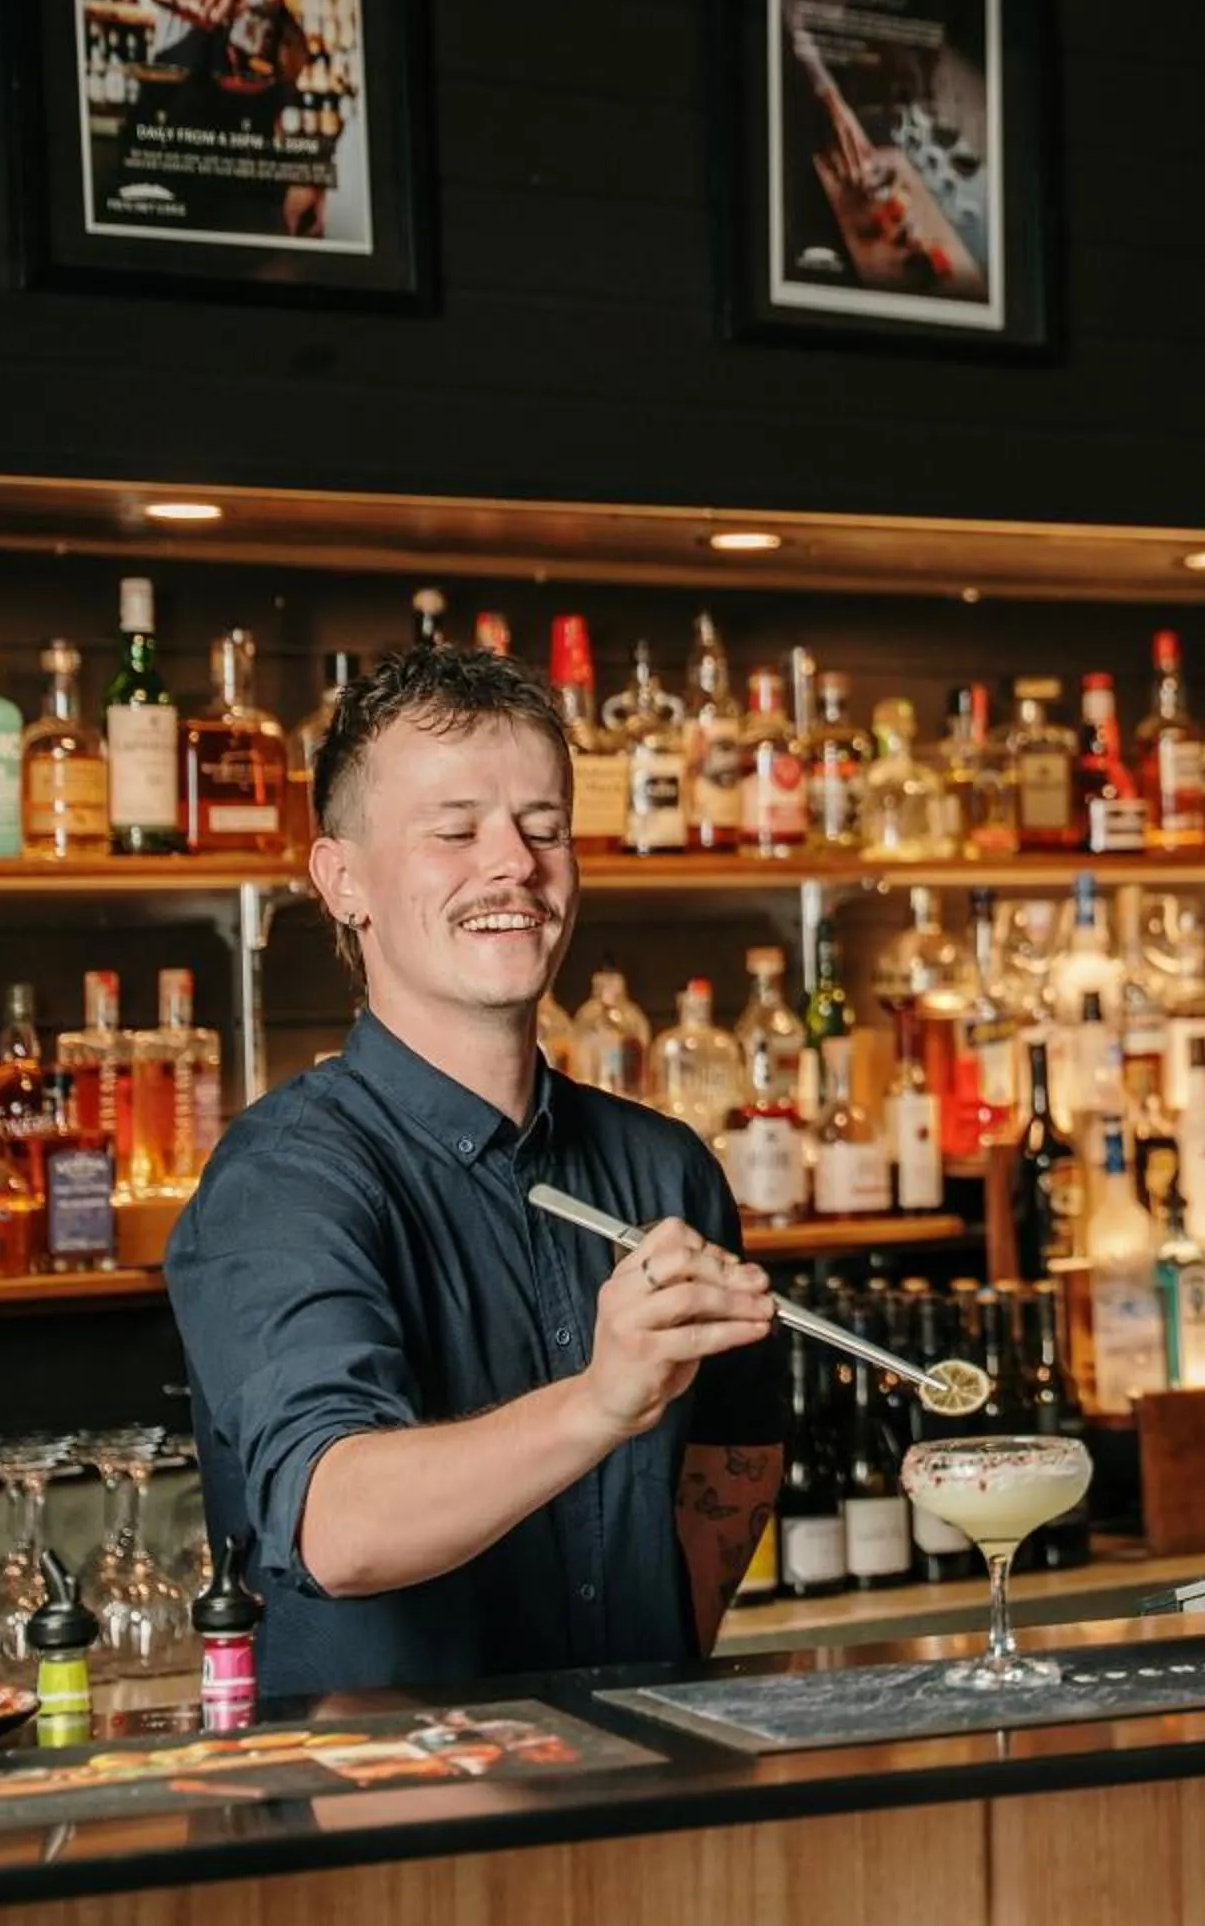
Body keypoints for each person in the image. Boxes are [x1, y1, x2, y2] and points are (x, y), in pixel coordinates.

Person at [165, 646, 781, 1696]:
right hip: (391, 1832)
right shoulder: (282, 1182)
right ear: (342, 879)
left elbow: (729, 1469)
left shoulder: (665, 1167)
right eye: (456, 832)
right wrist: (598, 1403)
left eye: (543, 828)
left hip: (649, 1796)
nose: (514, 865)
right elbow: (337, 1526)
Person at [114, 0, 353, 238]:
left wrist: (297, 181)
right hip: (151, 192)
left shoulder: (292, 44)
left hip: (229, 214)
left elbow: (268, 134)